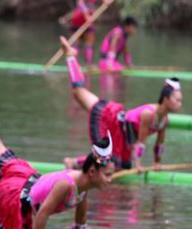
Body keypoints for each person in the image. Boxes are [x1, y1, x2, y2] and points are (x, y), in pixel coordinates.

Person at [0, 70, 113, 229]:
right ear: (91, 171)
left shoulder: (83, 190)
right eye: (107, 174)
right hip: (18, 198)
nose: (110, 179)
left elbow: (80, 220)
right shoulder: (67, 184)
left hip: (25, 177)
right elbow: (43, 212)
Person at [61, 36, 182, 171]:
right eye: (177, 100)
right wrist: (138, 166)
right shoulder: (149, 114)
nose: (179, 104)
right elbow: (140, 143)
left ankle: (71, 56)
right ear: (165, 99)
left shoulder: (164, 121)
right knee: (107, 162)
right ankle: (74, 162)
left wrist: (157, 163)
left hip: (122, 135)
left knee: (121, 166)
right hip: (109, 119)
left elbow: (159, 144)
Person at [59, 0, 107, 65]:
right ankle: (78, 64)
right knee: (81, 40)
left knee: (86, 41)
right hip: (81, 15)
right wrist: (86, 16)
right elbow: (80, 1)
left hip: (87, 15)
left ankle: (85, 64)